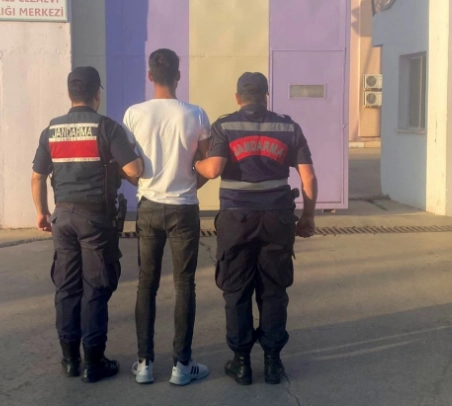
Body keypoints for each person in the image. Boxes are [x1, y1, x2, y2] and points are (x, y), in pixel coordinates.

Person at [194, 72, 318, 386]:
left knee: (236, 290)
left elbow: (214, 169)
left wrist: (196, 163)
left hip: (237, 219)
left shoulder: (225, 126)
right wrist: (308, 217)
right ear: (266, 95)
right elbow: (308, 177)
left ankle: (241, 364)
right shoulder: (289, 128)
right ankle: (273, 363)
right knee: (274, 290)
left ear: (238, 97)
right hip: (278, 219)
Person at [31, 66, 144, 383]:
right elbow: (134, 170)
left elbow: (37, 177)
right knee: (95, 288)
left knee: (67, 287)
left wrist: (42, 213)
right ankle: (94, 362)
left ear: (70, 94)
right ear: (97, 94)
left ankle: (70, 360)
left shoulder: (51, 130)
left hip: (62, 217)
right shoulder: (106, 128)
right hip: (95, 219)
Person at [122, 49, 211, 386]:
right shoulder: (196, 114)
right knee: (184, 284)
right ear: (178, 76)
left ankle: (145, 363)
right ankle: (181, 365)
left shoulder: (134, 114)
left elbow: (126, 164)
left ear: (150, 76)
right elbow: (206, 163)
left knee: (147, 284)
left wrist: (142, 184)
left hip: (148, 206)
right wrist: (191, 184)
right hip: (184, 207)